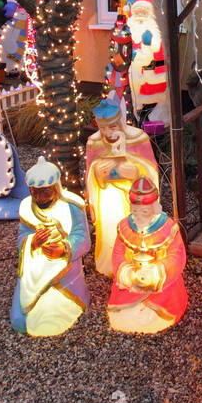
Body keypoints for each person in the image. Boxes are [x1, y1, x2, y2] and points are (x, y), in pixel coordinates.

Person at [11, 157, 91, 336]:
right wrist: (33, 241)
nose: (39, 198)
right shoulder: (26, 207)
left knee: (52, 315)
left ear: (55, 187)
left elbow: (82, 238)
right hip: (35, 268)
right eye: (35, 192)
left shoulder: (72, 205)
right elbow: (21, 238)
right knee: (19, 321)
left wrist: (64, 249)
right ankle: (30, 305)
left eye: (45, 192)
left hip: (64, 270)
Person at [85, 92, 159, 275]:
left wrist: (135, 171)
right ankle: (111, 264)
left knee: (134, 230)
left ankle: (136, 262)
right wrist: (97, 172)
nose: (108, 133)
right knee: (111, 231)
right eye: (103, 128)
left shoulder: (138, 138)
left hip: (133, 198)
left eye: (112, 127)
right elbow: (89, 173)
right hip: (107, 199)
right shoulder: (94, 142)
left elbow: (151, 169)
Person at [107, 177, 187, 333]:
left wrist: (156, 272)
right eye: (135, 211)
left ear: (154, 208)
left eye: (144, 211)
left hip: (161, 286)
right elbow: (117, 253)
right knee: (122, 317)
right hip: (131, 283)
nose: (139, 216)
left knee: (154, 317)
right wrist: (127, 272)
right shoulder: (125, 227)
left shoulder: (168, 227)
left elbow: (177, 256)